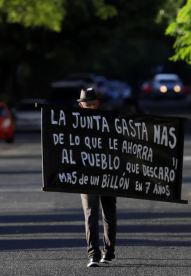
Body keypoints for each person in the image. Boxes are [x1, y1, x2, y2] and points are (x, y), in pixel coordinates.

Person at [77, 87, 117, 267]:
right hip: (87, 175)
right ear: (81, 105)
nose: (91, 107)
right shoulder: (73, 125)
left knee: (108, 213)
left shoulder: (110, 122)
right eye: (87, 105)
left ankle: (108, 253)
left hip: (108, 174)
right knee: (91, 214)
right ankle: (93, 254)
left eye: (93, 104)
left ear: (98, 103)